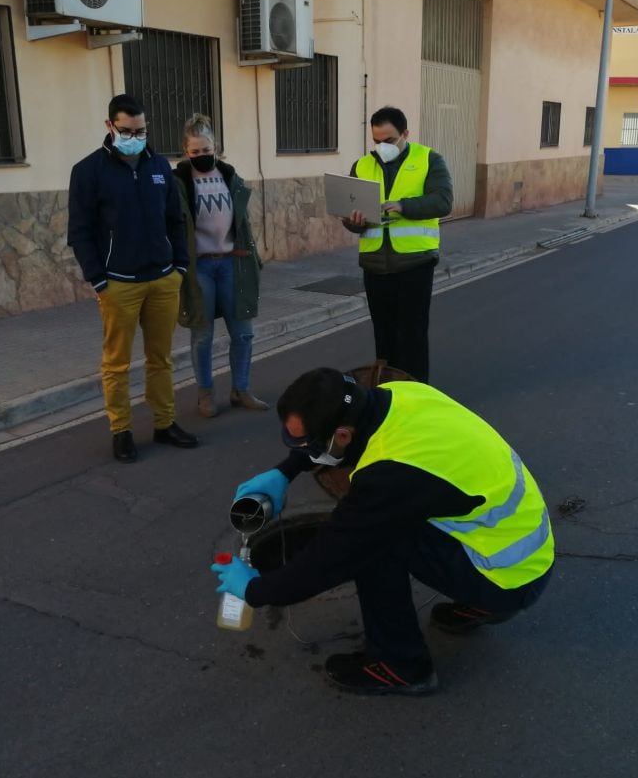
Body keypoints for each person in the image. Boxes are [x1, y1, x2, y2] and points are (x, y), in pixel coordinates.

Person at [212, 368, 554, 696]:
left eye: (310, 448)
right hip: (524, 551)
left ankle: (400, 666)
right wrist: (284, 472)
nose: (307, 455)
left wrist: (255, 589)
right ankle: (484, 602)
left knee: (374, 546)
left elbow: (328, 559)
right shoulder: (396, 393)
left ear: (342, 436)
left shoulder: (391, 475)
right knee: (382, 527)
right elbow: (333, 438)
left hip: (507, 577)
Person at [68, 94, 198, 463]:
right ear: (110, 126)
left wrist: (180, 266)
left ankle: (164, 423)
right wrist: (98, 278)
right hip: (118, 283)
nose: (136, 136)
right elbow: (80, 230)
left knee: (161, 359)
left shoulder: (158, 165)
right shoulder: (89, 170)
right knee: (117, 363)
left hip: (163, 279)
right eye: (127, 130)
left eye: (141, 130)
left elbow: (176, 219)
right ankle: (121, 430)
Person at [339, 106, 453, 383]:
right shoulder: (362, 165)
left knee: (412, 335)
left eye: (388, 140)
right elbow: (350, 217)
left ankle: (417, 394)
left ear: (405, 134)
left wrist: (403, 206)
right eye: (376, 141)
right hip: (375, 265)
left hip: (415, 263)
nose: (382, 147)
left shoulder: (429, 159)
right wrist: (355, 220)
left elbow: (443, 201)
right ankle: (389, 391)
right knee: (384, 334)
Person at [173, 114, 268, 418]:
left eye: (206, 149)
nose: (202, 156)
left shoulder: (230, 177)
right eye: (195, 152)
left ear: (216, 146)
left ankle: (241, 389)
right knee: (203, 336)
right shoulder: (178, 184)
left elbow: (242, 222)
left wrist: (253, 256)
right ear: (185, 152)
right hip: (200, 267)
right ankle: (205, 394)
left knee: (243, 333)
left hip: (233, 263)